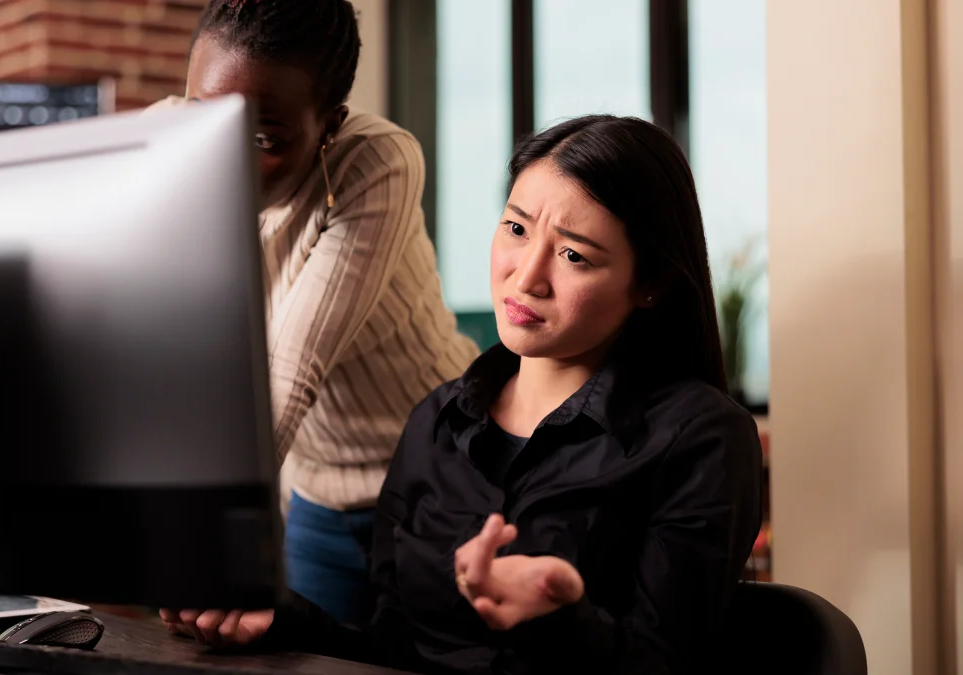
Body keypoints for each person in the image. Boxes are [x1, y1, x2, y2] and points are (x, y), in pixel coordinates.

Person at [161, 115, 764, 674]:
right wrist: (286, 620)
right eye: (517, 228)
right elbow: (396, 649)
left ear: (650, 285)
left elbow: (666, 663)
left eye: (574, 255)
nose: (525, 276)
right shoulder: (437, 420)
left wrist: (561, 621)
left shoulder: (702, 438)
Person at [148, 0, 479, 626]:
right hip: (316, 498)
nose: (223, 156)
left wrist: (203, 538)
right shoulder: (168, 141)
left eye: (263, 138)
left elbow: (284, 372)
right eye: (203, 118)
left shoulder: (375, 162)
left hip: (440, 485)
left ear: (328, 125)